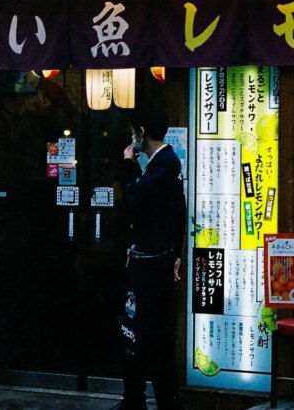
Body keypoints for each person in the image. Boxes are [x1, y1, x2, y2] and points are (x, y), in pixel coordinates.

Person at [119, 105, 187, 410]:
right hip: (152, 259)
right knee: (141, 331)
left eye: (135, 130)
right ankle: (142, 398)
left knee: (147, 332)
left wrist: (128, 164)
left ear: (141, 132)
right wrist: (177, 253)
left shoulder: (165, 164)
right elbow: (178, 212)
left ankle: (151, 399)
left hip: (151, 265)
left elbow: (134, 196)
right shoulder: (163, 164)